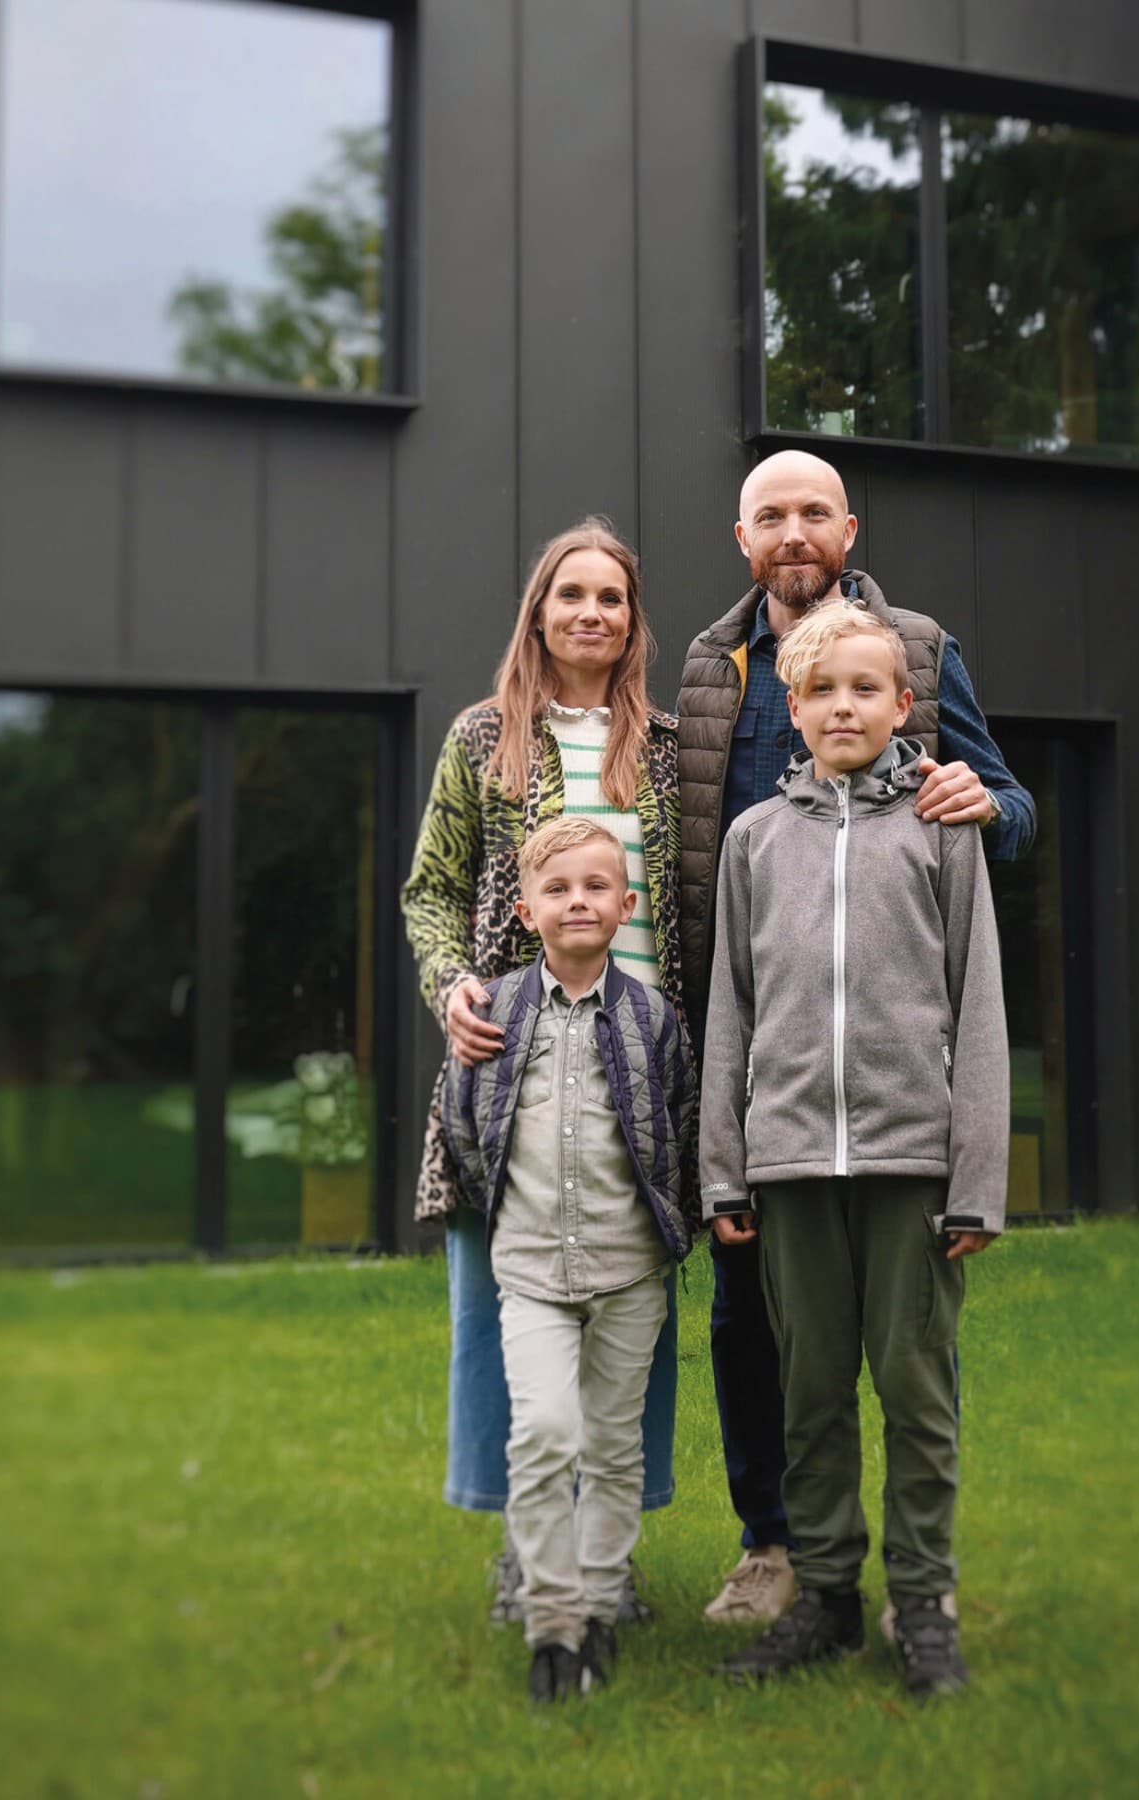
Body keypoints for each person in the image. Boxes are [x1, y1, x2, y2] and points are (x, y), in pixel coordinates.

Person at [677, 448, 1033, 1625]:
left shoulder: (922, 653)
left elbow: (1009, 807)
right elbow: (702, 884)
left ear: (849, 528)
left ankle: (916, 1598)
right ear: (743, 538)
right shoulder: (711, 670)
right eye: (769, 515)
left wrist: (986, 805)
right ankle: (784, 1556)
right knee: (768, 1347)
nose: (792, 532)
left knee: (911, 1376)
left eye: (813, 513)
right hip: (772, 1083)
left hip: (896, 1101)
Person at [402, 517, 685, 1628]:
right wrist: (447, 985)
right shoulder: (484, 739)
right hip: (508, 1063)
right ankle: (528, 1553)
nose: (591, 615)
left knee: (631, 1315)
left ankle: (606, 1558)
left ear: (631, 622)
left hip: (641, 1066)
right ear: (539, 612)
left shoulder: (665, 745)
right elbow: (431, 891)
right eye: (572, 595)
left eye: (612, 599)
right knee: (502, 1313)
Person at [443, 816, 697, 1704]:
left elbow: (677, 1125)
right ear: (525, 909)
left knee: (614, 1445)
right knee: (545, 1433)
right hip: (531, 1276)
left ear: (626, 905)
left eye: (596, 887)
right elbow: (466, 1127)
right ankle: (550, 1622)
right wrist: (512, 1217)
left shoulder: (654, 1017)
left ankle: (595, 1611)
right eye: (557, 889)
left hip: (630, 1271)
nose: (578, 901)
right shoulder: (495, 1013)